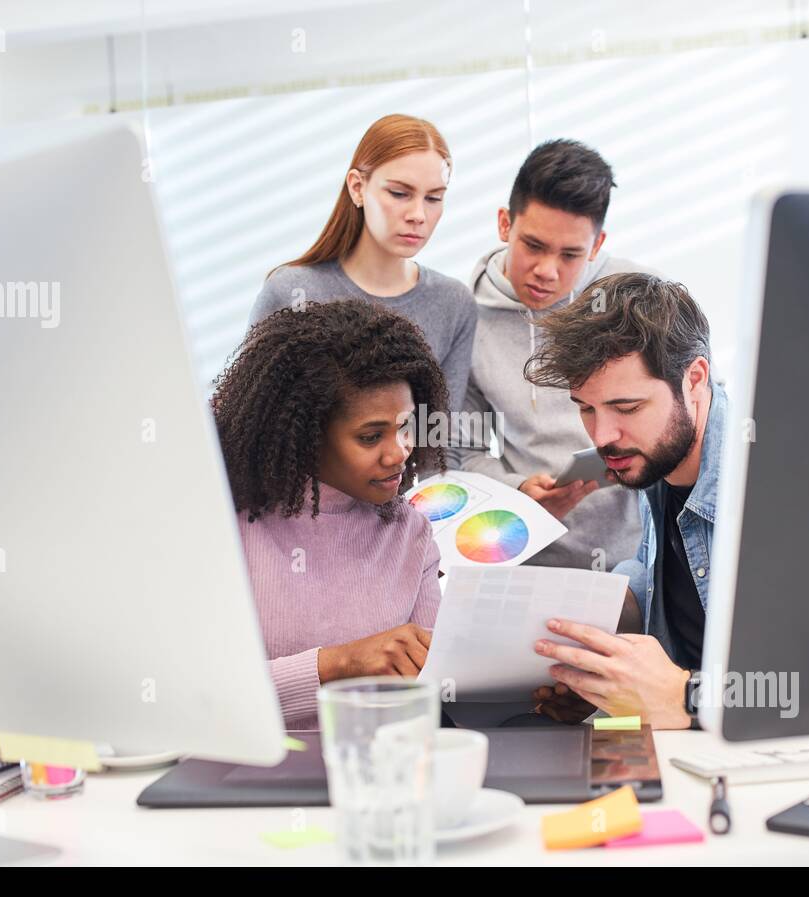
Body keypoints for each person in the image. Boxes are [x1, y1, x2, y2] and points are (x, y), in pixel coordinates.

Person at [211, 298, 449, 730]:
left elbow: (435, 689)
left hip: (378, 773)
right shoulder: (224, 529)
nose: (399, 452)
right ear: (307, 437)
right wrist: (336, 665)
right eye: (371, 436)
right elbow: (199, 697)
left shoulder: (410, 533)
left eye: (406, 427)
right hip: (247, 777)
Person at [523, 272, 726, 730]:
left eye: (627, 408)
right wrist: (603, 684)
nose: (602, 437)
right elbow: (658, 585)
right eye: (586, 408)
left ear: (694, 379)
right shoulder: (656, 463)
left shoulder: (769, 488)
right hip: (677, 743)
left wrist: (686, 698)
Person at [453, 138, 656, 571]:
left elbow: (695, 417)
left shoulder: (639, 298)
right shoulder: (464, 317)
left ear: (597, 245)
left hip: (640, 559)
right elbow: (460, 451)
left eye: (570, 255)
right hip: (529, 555)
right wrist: (517, 488)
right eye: (534, 246)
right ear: (505, 224)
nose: (548, 271)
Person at [250, 114, 477, 416]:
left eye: (434, 198)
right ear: (357, 188)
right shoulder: (292, 292)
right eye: (399, 193)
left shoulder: (453, 303)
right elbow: (252, 423)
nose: (418, 214)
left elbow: (441, 436)